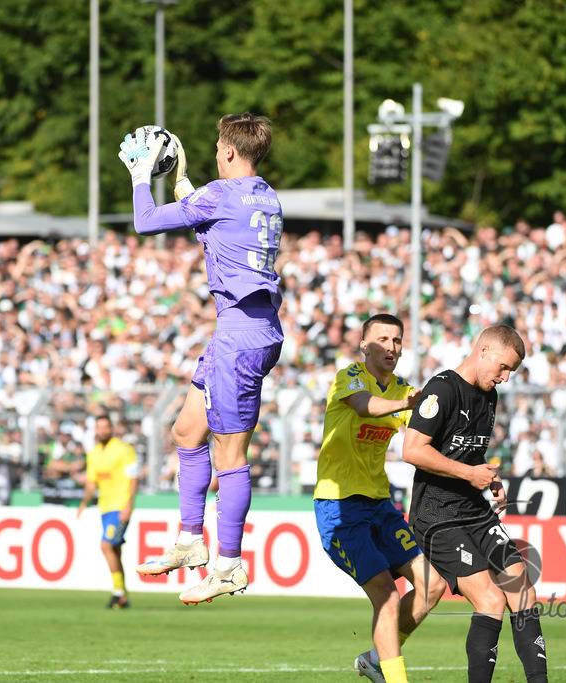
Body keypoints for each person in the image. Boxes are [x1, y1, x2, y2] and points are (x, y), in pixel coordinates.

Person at [118, 113, 284, 604]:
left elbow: (145, 222)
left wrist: (141, 175)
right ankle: (192, 541)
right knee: (187, 432)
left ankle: (229, 565)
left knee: (230, 456)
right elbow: (215, 223)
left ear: (229, 151)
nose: (215, 151)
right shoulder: (265, 195)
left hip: (241, 337)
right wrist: (185, 183)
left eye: (217, 146)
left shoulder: (220, 194)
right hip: (241, 331)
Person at [402, 325, 548, 683]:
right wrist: (469, 476)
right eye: (503, 367)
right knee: (491, 601)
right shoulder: (443, 389)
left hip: (474, 511)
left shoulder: (488, 396)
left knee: (522, 590)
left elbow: (470, 454)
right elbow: (412, 450)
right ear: (483, 352)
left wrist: (488, 478)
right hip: (437, 515)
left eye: (511, 371)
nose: (505, 378)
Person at [313, 314, 445, 683]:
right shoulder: (349, 377)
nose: (391, 346)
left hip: (380, 505)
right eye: (383, 339)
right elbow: (363, 407)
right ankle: (395, 677)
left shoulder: (403, 389)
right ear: (364, 345)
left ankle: (377, 658)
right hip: (340, 506)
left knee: (432, 585)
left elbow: (423, 438)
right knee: (387, 595)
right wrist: (407, 403)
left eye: (397, 340)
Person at [77, 414, 140, 609]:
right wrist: (84, 503)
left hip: (120, 506)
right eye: (99, 427)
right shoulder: (93, 453)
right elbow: (91, 482)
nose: (102, 431)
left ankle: (118, 592)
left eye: (105, 427)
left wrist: (129, 504)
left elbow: (134, 477)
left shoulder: (124, 449)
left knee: (105, 545)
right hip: (105, 507)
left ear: (111, 429)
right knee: (114, 550)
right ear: (95, 430)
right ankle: (124, 597)